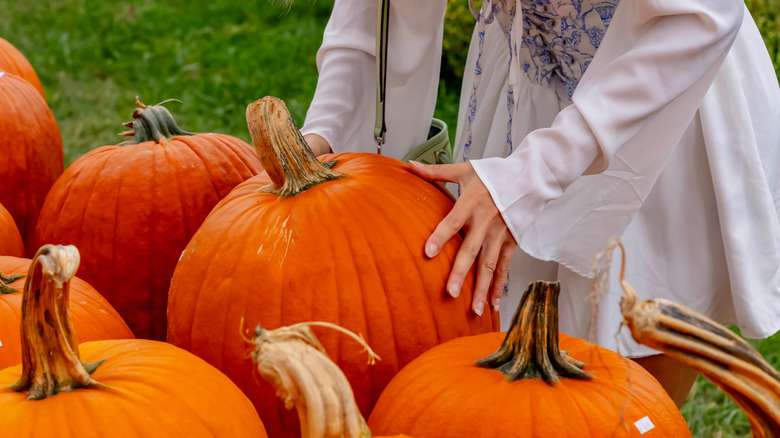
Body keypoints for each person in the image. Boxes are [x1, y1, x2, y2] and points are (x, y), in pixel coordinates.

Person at [300, 0, 780, 408]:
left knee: (624, 395)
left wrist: (535, 174)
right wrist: (329, 129)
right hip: (519, 93)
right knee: (498, 376)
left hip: (652, 107)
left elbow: (698, 16)